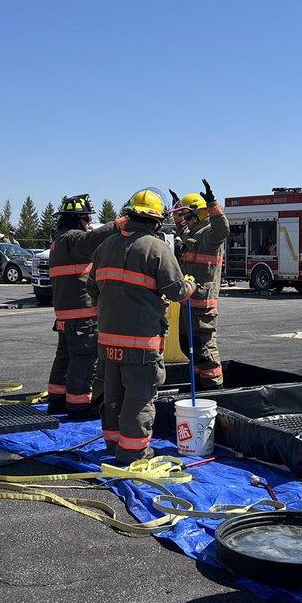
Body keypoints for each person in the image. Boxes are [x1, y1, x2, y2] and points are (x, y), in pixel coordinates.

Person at [89, 188, 194, 463]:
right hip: (140, 343)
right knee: (139, 397)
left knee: (113, 394)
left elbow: (90, 286)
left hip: (108, 341)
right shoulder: (155, 247)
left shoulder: (105, 246)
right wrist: (191, 284)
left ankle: (113, 444)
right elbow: (177, 292)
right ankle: (133, 452)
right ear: (156, 221)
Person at [46, 194, 124, 419]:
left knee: (65, 356)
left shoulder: (59, 240)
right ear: (76, 220)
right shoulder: (73, 239)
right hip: (82, 313)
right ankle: (79, 404)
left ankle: (57, 399)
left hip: (66, 313)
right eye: (86, 219)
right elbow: (94, 239)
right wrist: (122, 222)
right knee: (84, 357)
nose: (89, 223)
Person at [170, 179, 229, 389]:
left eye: (186, 215)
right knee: (188, 345)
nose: (184, 220)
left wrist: (212, 203)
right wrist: (177, 208)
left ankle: (214, 387)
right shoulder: (193, 234)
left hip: (203, 305)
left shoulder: (211, 235)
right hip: (188, 301)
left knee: (205, 348)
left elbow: (223, 229)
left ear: (197, 214)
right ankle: (201, 384)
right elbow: (183, 233)